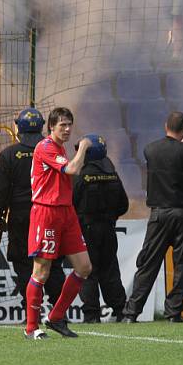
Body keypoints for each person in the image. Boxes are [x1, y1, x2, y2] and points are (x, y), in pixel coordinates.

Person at [121, 111, 183, 324]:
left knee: (148, 263)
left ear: (165, 126)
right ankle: (173, 312)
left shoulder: (150, 149)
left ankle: (131, 313)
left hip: (159, 214)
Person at [24, 107, 93, 339]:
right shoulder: (45, 147)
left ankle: (55, 317)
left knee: (84, 267)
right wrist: (83, 147)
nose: (67, 129)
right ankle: (31, 328)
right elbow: (72, 169)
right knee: (41, 272)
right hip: (47, 212)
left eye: (69, 124)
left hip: (66, 212)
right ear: (50, 127)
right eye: (62, 125)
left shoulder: (60, 148)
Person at [0, 108, 66, 315]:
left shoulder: (9, 154)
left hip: (21, 216)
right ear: (43, 126)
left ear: (18, 128)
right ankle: (60, 311)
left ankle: (31, 311)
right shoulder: (54, 150)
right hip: (50, 215)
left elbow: (0, 189)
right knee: (53, 262)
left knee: (24, 264)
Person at [72, 134, 129, 323]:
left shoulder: (81, 175)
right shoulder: (113, 174)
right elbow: (124, 205)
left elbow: (71, 202)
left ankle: (91, 315)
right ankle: (121, 310)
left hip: (86, 230)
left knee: (87, 272)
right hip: (108, 229)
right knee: (110, 270)